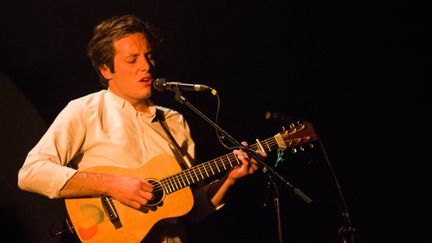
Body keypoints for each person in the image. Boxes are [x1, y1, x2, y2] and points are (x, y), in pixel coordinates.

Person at [17, 14, 266, 242]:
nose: (146, 65)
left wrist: (229, 179)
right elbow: (31, 173)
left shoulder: (174, 121)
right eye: (132, 59)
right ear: (106, 69)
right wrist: (112, 185)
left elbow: (191, 207)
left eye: (148, 55)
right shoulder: (86, 110)